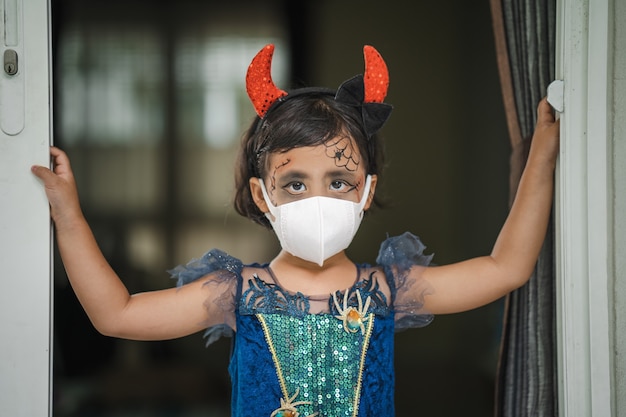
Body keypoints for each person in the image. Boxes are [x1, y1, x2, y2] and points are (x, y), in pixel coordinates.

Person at [31, 44, 560, 417]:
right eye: (296, 184)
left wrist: (541, 154)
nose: (321, 199)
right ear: (265, 196)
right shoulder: (239, 293)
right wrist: (68, 215)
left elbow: (506, 268)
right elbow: (115, 314)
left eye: (339, 180)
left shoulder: (386, 290)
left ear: (366, 192)